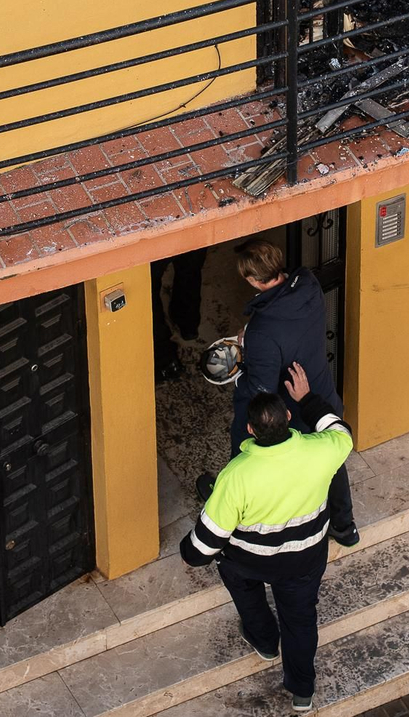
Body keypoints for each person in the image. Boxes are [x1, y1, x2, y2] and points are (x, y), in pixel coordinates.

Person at [180, 363, 352, 713]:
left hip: (249, 563)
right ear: (288, 416)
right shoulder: (322, 450)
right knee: (301, 622)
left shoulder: (236, 477)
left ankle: (264, 642)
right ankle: (302, 691)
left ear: (249, 430)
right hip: (305, 560)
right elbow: (340, 431)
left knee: (241, 585)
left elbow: (202, 548)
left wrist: (190, 549)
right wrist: (308, 399)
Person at [197, 239, 358, 546]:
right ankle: (344, 526)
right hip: (321, 394)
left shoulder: (263, 332)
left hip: (292, 411)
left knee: (243, 443)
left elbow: (261, 390)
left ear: (253, 280)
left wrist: (241, 366)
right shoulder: (308, 284)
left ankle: (228, 504)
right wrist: (254, 336)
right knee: (333, 462)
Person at [151, 247, 208, 381]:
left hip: (155, 237)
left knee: (149, 288)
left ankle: (165, 358)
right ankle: (188, 326)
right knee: (190, 272)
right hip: (193, 230)